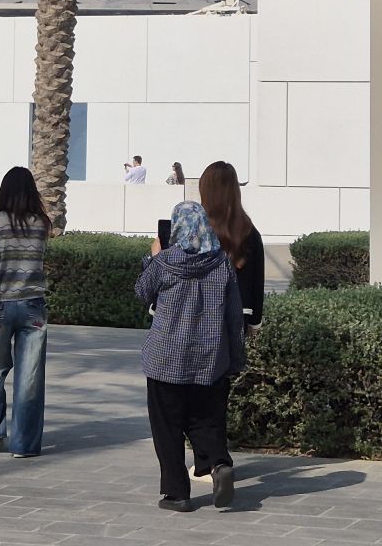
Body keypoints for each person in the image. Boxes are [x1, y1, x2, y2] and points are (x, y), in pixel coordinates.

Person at [136, 201, 244, 513]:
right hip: (209, 359)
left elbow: (141, 292)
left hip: (166, 359)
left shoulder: (165, 261)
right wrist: (235, 358)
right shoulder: (222, 263)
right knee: (203, 419)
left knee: (167, 426)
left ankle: (177, 494)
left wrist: (152, 257)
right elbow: (234, 316)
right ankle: (219, 464)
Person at [0, 166, 50, 457]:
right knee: (30, 379)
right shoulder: (41, 223)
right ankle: (24, 445)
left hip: (0, 307)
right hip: (33, 307)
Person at [200, 161, 264, 332]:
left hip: (196, 314)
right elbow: (257, 283)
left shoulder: (194, 229)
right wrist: (255, 323)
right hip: (237, 316)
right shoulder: (249, 232)